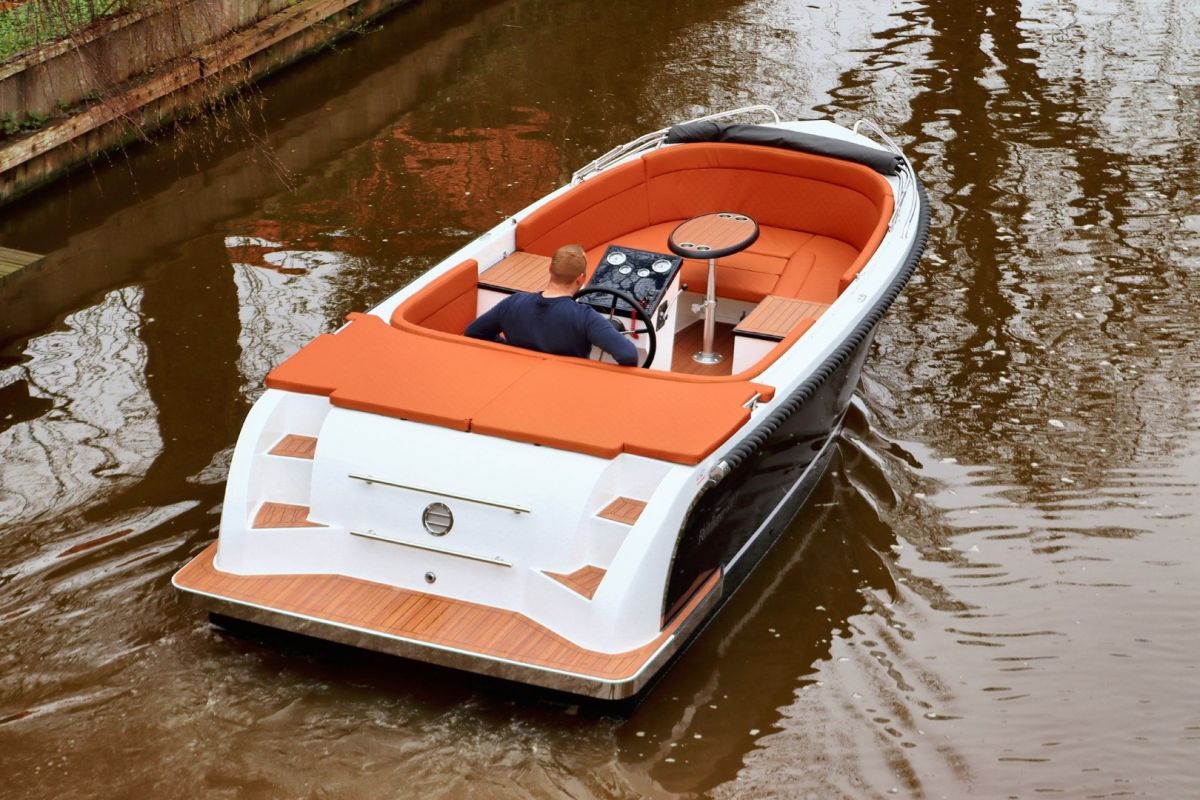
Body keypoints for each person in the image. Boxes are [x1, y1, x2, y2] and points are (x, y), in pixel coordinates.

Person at [466, 244, 639, 366]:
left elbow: (474, 332)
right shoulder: (585, 317)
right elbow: (628, 355)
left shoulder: (513, 302)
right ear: (580, 279)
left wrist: (510, 350)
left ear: (550, 269)